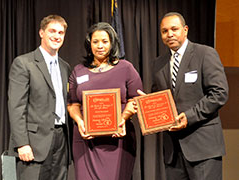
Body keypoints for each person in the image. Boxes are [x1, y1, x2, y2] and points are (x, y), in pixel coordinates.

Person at [144, 12, 229, 180]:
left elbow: (219, 93)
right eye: (164, 31)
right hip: (173, 152)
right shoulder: (158, 63)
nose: (169, 34)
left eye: (174, 29)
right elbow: (159, 99)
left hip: (203, 148)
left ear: (185, 30)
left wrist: (188, 117)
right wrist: (145, 104)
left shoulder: (205, 54)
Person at [67, 22, 143, 180]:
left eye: (104, 41)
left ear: (112, 43)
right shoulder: (78, 70)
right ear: (89, 44)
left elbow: (135, 99)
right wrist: (80, 122)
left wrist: (122, 120)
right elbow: (73, 103)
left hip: (119, 138)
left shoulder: (126, 68)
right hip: (85, 141)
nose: (100, 46)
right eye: (95, 42)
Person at [8, 15, 71, 180]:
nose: (57, 36)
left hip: (61, 140)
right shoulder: (23, 63)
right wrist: (22, 143)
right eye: (52, 31)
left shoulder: (65, 67)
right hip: (34, 143)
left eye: (61, 32)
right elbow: (16, 107)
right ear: (41, 33)